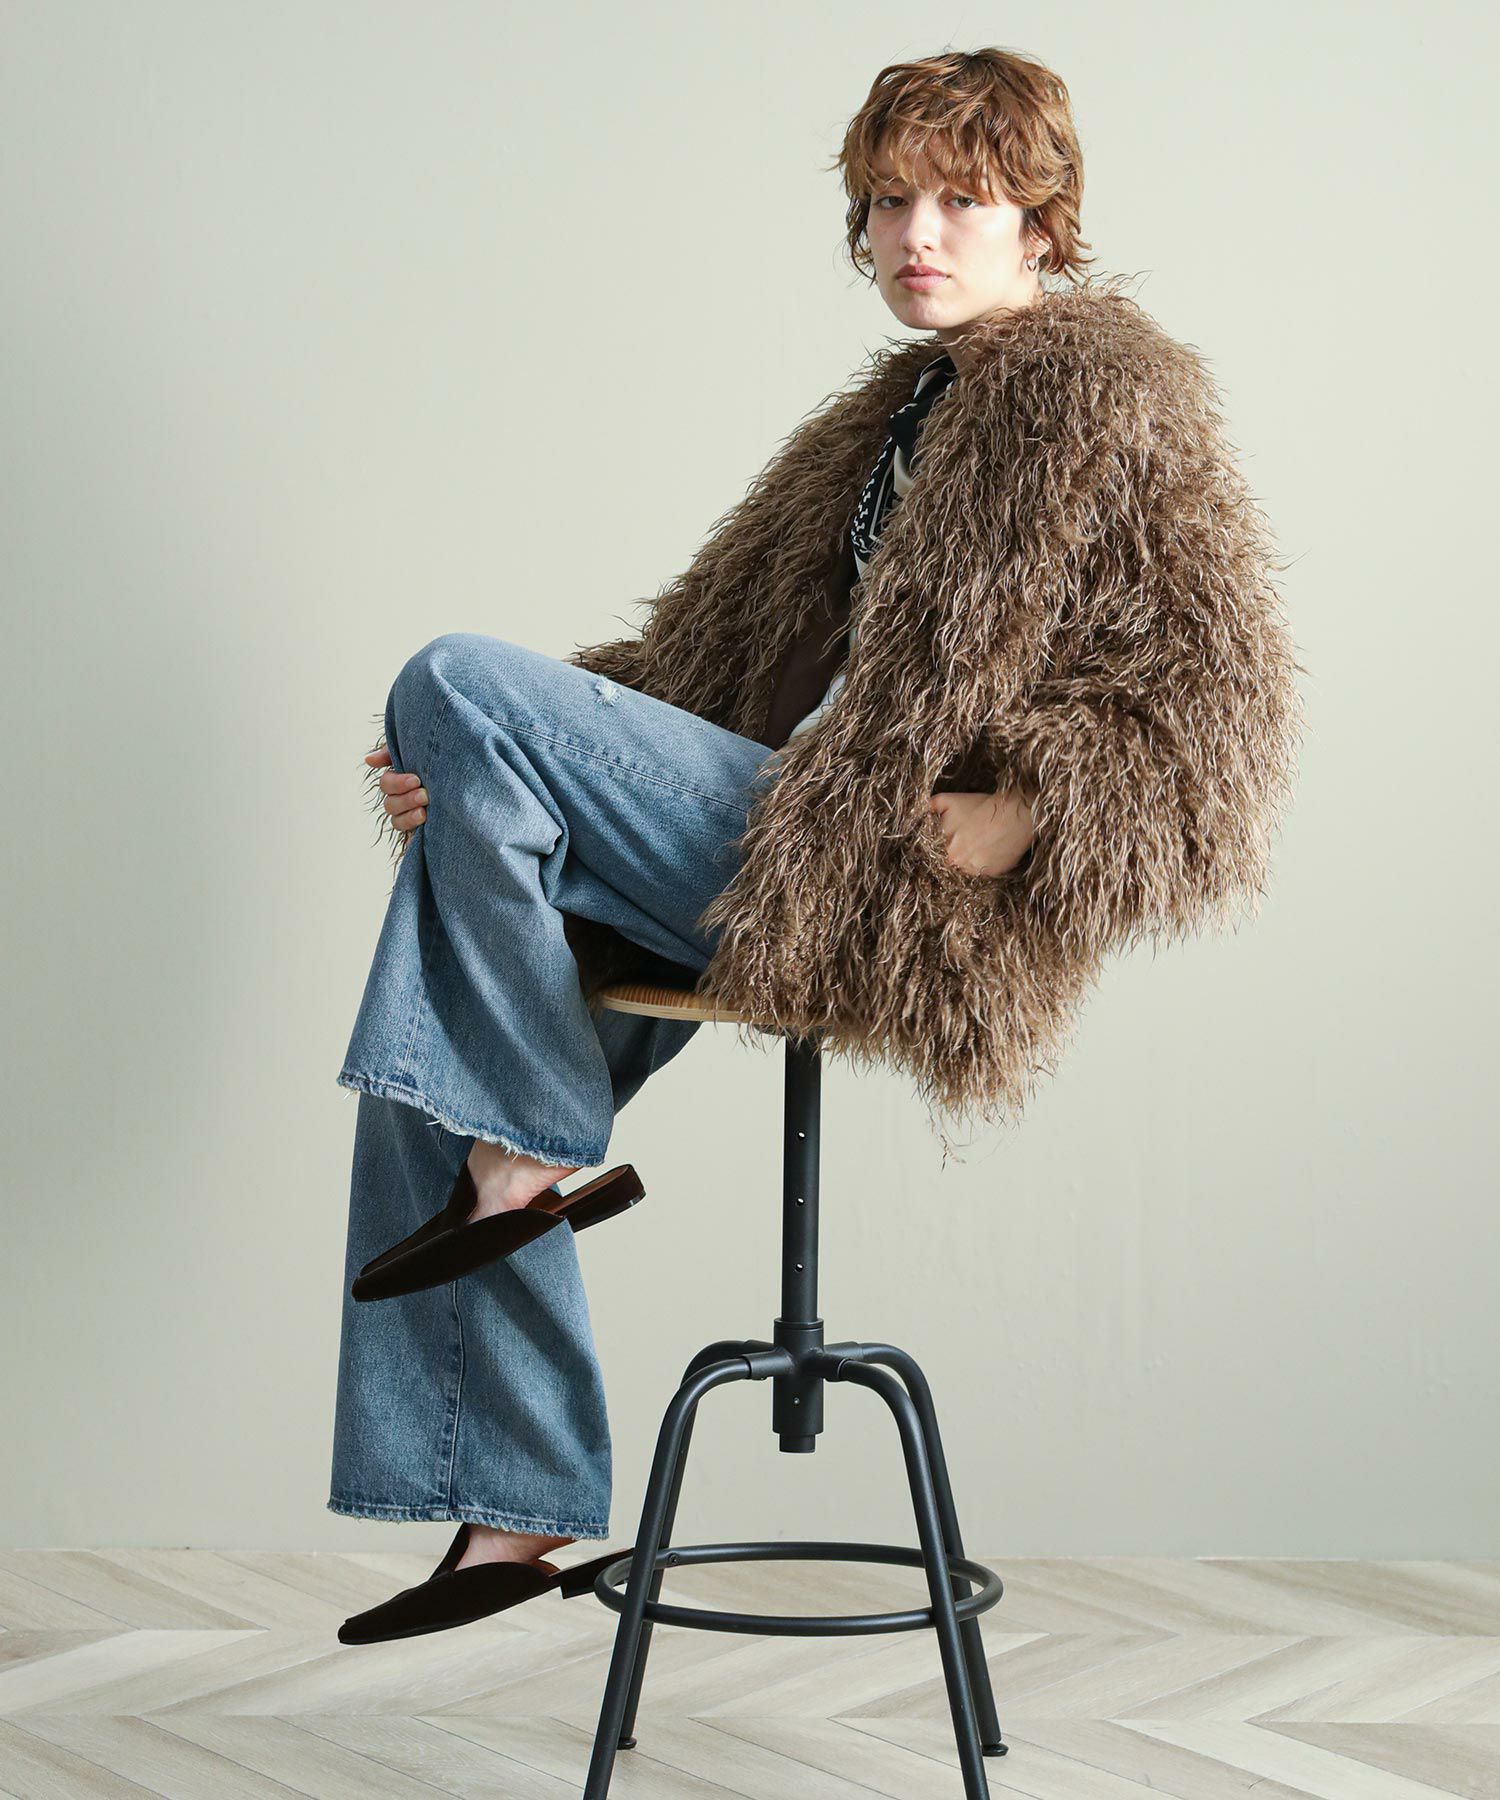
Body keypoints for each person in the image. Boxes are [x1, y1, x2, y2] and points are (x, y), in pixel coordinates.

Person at [330, 47, 1301, 1644]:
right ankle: (512, 1507)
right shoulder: (882, 424)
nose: (917, 232)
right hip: (765, 832)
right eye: (891, 201)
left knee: (453, 684)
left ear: (1041, 222)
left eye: (962, 200)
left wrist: (1034, 808)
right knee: (437, 1010)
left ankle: (526, 1156)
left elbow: (1223, 720)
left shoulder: (1107, 399)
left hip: (883, 878)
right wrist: (477, 777)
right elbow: (692, 678)